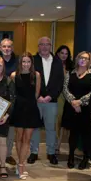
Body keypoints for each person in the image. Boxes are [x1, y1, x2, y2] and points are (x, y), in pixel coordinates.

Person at [28, 36, 64, 165]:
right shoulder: (32, 60)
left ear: (50, 46)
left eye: (47, 44)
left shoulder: (57, 61)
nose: (44, 47)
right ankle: (34, 152)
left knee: (51, 128)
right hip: (36, 100)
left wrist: (50, 96)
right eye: (41, 44)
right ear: (38, 47)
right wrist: (38, 96)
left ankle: (51, 152)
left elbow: (60, 82)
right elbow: (30, 80)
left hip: (51, 100)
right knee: (35, 127)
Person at [10, 52, 41, 179]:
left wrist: (29, 104)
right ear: (20, 63)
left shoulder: (36, 75)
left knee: (27, 139)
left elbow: (36, 93)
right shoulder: (14, 75)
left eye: (28, 62)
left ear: (31, 63)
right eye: (24, 62)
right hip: (18, 108)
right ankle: (20, 162)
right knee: (19, 137)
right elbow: (12, 93)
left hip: (31, 108)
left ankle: (21, 164)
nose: (26, 64)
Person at [62, 51, 91, 170]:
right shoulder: (70, 73)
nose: (83, 60)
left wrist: (80, 102)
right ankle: (70, 156)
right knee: (73, 134)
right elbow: (65, 89)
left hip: (86, 109)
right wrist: (73, 102)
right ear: (77, 59)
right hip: (72, 108)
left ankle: (86, 158)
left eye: (86, 58)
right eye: (81, 57)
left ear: (89, 61)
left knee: (86, 135)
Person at [0, 38, 18, 167]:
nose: (6, 49)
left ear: (12, 48)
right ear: (0, 48)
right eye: (4, 46)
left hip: (12, 99)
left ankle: (7, 154)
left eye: (9, 46)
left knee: (10, 130)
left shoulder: (18, 62)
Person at [55, 45, 73, 154]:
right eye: (62, 53)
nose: (64, 55)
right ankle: (56, 144)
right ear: (58, 53)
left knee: (64, 122)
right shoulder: (53, 65)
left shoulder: (71, 66)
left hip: (69, 96)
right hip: (58, 96)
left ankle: (59, 144)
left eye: (66, 54)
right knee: (57, 120)